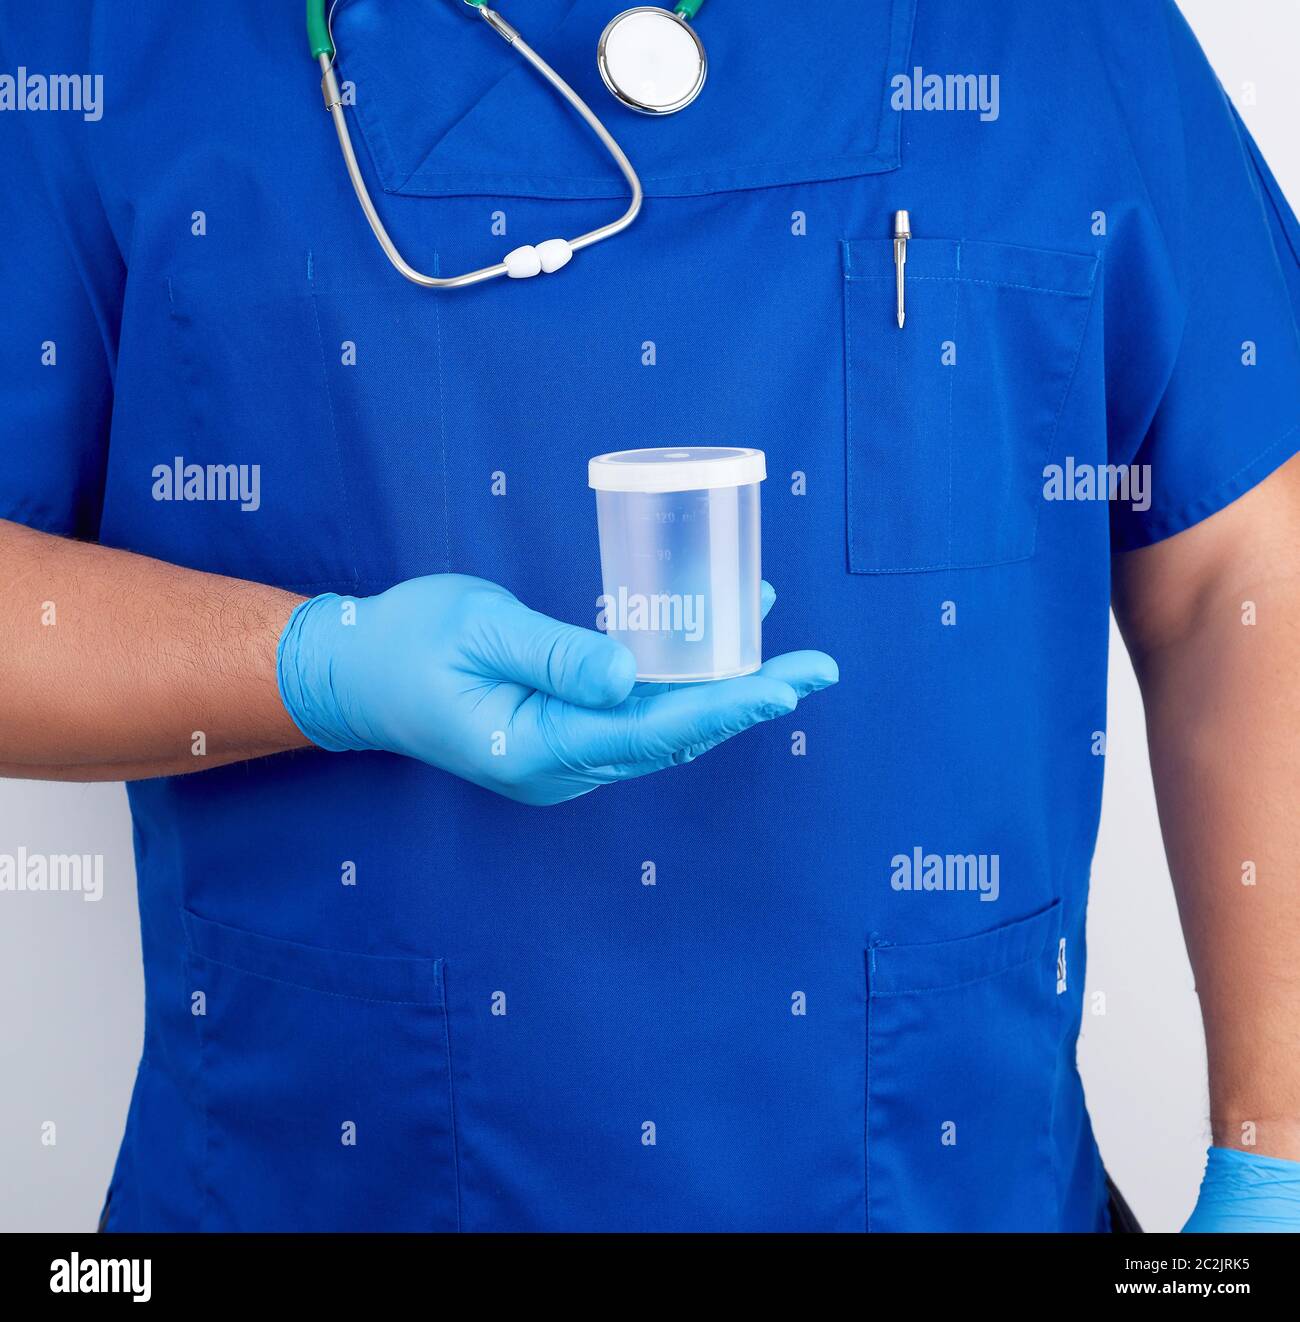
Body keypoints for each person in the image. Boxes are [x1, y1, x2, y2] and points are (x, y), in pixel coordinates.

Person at [1, 0, 1297, 1233]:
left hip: (952, 1185)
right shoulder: (107, 42)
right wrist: (314, 668)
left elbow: (1242, 555)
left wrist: (1274, 1158)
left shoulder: (1052, 35)